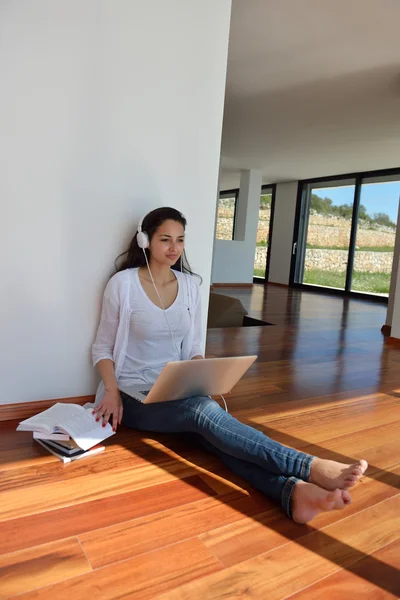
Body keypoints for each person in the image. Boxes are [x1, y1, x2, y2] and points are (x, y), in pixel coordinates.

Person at [91, 207, 367, 524]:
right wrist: (111, 392)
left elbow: (193, 348)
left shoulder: (190, 286)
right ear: (145, 241)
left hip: (176, 388)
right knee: (202, 414)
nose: (173, 248)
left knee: (216, 437)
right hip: (132, 395)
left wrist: (206, 377)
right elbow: (102, 347)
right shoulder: (123, 284)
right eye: (165, 239)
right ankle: (310, 466)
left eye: (180, 240)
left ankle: (293, 494)